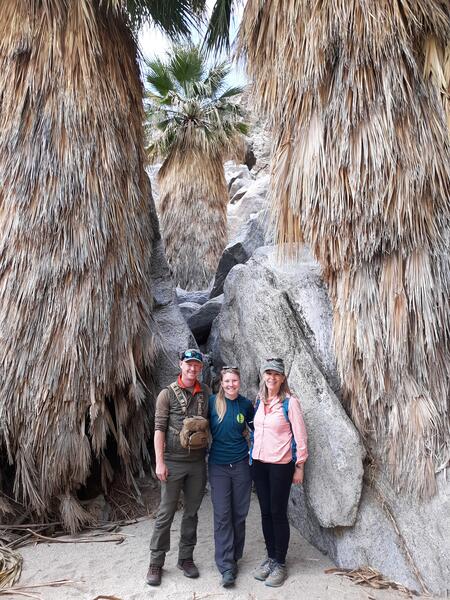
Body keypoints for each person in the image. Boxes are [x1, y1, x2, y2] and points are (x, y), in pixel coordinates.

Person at [146, 349, 210, 587]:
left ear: (200, 368)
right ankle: (156, 563)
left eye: (196, 365)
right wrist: (160, 462)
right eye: (188, 364)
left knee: (192, 513)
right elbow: (159, 429)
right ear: (180, 364)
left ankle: (185, 558)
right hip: (172, 462)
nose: (192, 368)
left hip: (197, 464)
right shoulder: (166, 394)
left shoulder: (205, 392)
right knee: (165, 513)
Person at [250, 357, 308, 588]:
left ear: (283, 378)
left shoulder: (290, 403)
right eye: (268, 373)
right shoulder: (259, 400)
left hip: (280, 464)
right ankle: (271, 557)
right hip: (259, 463)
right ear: (263, 375)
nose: (271, 377)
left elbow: (301, 436)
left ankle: (280, 562)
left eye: (276, 374)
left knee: (277, 512)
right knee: (265, 512)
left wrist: (300, 465)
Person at [208, 366, 254, 588]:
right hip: (218, 466)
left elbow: (257, 430)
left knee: (239, 513)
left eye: (234, 381)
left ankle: (234, 556)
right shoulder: (211, 403)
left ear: (239, 382)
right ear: (221, 382)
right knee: (222, 514)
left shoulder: (245, 405)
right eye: (227, 381)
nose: (230, 385)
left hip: (241, 465)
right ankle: (226, 566)